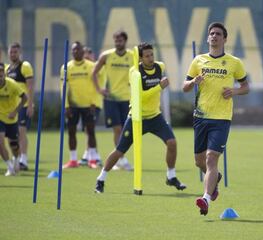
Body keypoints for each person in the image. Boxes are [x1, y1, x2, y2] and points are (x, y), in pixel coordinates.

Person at [94, 42, 186, 193]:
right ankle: (100, 179)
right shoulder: (134, 72)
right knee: (120, 150)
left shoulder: (160, 67)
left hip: (155, 116)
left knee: (172, 142)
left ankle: (171, 176)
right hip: (137, 118)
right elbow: (140, 97)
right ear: (140, 58)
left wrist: (159, 87)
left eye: (152, 55)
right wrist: (159, 87)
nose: (150, 58)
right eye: (147, 56)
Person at [183, 22, 250, 216]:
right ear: (207, 38)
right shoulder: (198, 60)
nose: (214, 36)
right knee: (199, 162)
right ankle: (215, 179)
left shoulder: (234, 62)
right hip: (201, 117)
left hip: (221, 119)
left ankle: (205, 199)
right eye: (211, 34)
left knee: (211, 158)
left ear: (225, 39)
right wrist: (193, 81)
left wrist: (235, 91)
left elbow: (246, 87)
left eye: (218, 34)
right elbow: (184, 87)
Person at [92, 30, 133, 171]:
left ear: (125, 41)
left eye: (120, 40)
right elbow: (94, 73)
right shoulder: (106, 56)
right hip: (111, 99)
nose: (117, 42)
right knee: (117, 129)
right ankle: (120, 159)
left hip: (127, 98)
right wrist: (99, 90)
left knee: (125, 131)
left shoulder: (132, 56)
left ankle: (120, 158)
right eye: (116, 39)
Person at [60, 41, 100, 169]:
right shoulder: (66, 67)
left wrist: (94, 102)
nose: (76, 52)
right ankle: (73, 160)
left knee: (91, 131)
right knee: (71, 132)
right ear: (71, 52)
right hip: (73, 105)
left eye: (78, 49)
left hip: (88, 105)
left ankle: (92, 160)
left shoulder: (91, 66)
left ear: (83, 51)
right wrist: (65, 105)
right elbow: (63, 87)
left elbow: (96, 86)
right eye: (73, 50)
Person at [5, 43, 34, 171]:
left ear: (20, 52)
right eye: (11, 52)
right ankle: (15, 158)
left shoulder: (25, 66)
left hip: (23, 104)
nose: (13, 54)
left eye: (15, 52)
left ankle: (23, 159)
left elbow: (30, 86)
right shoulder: (7, 69)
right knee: (12, 134)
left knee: (21, 132)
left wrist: (30, 105)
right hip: (10, 107)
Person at [0, 62, 27, 176]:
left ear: (4, 74)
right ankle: (9, 167)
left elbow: (25, 98)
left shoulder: (12, 84)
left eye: (1, 73)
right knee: (0, 143)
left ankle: (16, 160)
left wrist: (15, 111)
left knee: (14, 146)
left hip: (12, 118)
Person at [79, 46, 103, 167]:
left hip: (94, 103)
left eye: (89, 55)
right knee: (87, 130)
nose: (87, 57)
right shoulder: (82, 69)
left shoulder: (96, 68)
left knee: (90, 130)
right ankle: (87, 155)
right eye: (85, 55)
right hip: (84, 104)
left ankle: (96, 157)